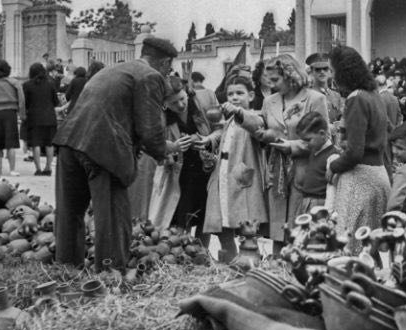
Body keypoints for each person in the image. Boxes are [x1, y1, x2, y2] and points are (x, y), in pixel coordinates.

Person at [53, 36, 180, 272]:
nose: (168, 72)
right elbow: (149, 129)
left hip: (69, 142)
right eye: (169, 68)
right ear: (165, 63)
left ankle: (66, 273)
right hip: (104, 151)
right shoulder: (150, 76)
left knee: (69, 214)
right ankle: (109, 277)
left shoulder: (111, 70)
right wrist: (164, 149)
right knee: (111, 219)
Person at [239, 54, 328, 253]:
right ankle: (277, 264)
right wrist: (256, 130)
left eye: (275, 80)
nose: (271, 84)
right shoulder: (269, 101)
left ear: (290, 76)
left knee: (300, 229)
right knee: (278, 229)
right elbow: (263, 128)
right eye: (269, 80)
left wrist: (293, 146)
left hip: (304, 171)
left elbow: (324, 138)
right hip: (277, 171)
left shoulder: (315, 99)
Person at [326, 45, 391, 251]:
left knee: (350, 247)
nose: (331, 76)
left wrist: (333, 166)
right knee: (370, 249)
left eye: (332, 70)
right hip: (378, 175)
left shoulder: (356, 98)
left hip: (360, 178)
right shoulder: (374, 95)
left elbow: (354, 152)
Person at [202, 76, 268, 263]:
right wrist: (209, 151)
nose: (234, 97)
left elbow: (257, 126)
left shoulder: (254, 116)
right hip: (223, 172)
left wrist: (239, 111)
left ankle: (249, 260)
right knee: (222, 222)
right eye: (230, 94)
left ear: (251, 96)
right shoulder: (229, 120)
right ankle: (229, 259)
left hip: (241, 177)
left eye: (240, 93)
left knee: (246, 224)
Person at [148, 75, 221, 240]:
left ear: (186, 92)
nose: (181, 105)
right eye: (173, 103)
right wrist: (173, 147)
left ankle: (202, 252)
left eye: (182, 99)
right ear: (164, 103)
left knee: (204, 218)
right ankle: (182, 248)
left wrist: (207, 139)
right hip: (179, 175)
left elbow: (220, 128)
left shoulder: (204, 100)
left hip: (205, 169)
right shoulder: (158, 115)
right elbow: (152, 144)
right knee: (181, 218)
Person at [292, 111, 339, 216]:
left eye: (308, 140)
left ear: (322, 134)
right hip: (306, 201)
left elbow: (332, 190)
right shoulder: (314, 151)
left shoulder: (332, 156)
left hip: (319, 204)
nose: (305, 144)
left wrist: (327, 213)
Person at [22, 62, 59, 176]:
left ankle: (38, 168)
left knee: (36, 143)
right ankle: (48, 168)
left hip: (34, 117)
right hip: (50, 117)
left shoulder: (27, 85)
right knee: (49, 143)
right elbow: (55, 102)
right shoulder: (51, 84)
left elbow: (25, 103)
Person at [306, 53, 344, 124]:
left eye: (325, 69)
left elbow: (341, 117)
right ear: (312, 71)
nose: (322, 72)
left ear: (330, 71)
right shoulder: (306, 95)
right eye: (318, 69)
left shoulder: (336, 95)